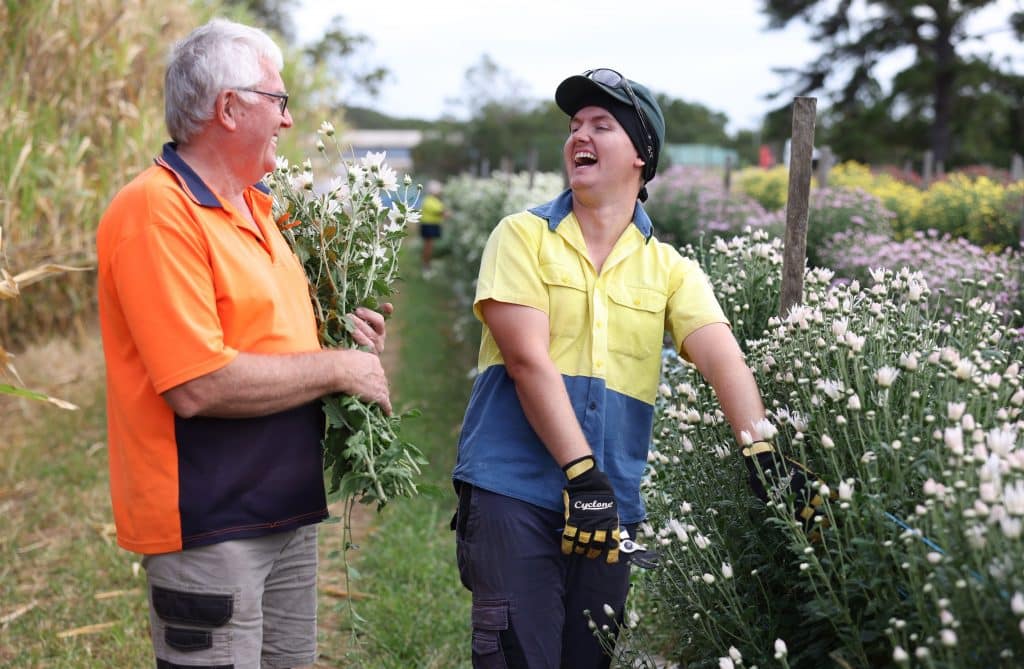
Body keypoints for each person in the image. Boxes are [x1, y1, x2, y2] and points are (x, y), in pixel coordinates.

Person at [450, 68, 826, 668]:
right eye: (575, 126)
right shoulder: (522, 236)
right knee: (519, 654)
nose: (581, 136)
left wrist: (763, 452)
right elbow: (527, 361)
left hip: (610, 502)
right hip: (513, 489)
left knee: (588, 659)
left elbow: (720, 353)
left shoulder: (670, 269)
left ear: (641, 158)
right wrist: (582, 476)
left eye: (602, 125)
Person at [96, 18, 392, 669]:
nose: (288, 121)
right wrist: (339, 367)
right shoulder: (156, 211)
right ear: (229, 108)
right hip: (209, 519)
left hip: (283, 509)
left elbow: (269, 334)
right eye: (278, 101)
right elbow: (196, 382)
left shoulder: (256, 208)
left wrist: (343, 329)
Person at [419, 179, 446, 275]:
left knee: (429, 246)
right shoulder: (429, 201)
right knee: (428, 246)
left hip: (431, 225)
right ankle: (426, 267)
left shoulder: (431, 200)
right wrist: (448, 214)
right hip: (429, 225)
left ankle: (427, 265)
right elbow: (440, 212)